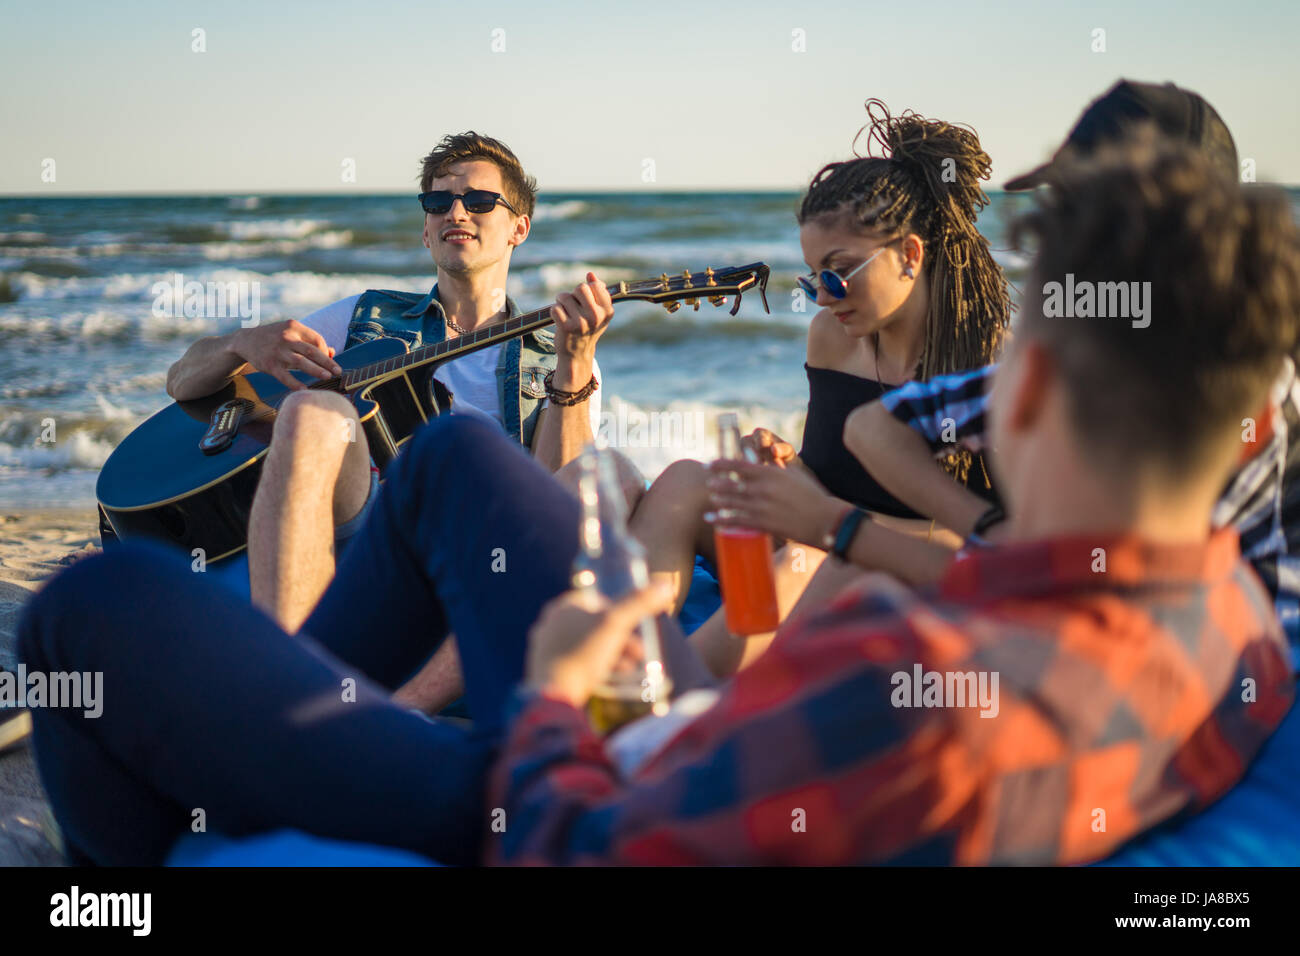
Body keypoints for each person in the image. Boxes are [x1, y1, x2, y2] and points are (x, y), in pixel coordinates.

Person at [22, 138, 1296, 866]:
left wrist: (564, 694)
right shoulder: (1233, 612)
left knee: (93, 605)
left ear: (1024, 400)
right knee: (454, 467)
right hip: (671, 729)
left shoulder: (910, 686)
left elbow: (596, 838)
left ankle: (197, 816)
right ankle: (273, 721)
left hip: (544, 786)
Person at [844, 80, 1300, 668]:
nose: (1065, 241)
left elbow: (1100, 588)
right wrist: (985, 527)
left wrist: (842, 530)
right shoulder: (1094, 360)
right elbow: (879, 425)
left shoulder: (1223, 381)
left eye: (1088, 214)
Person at [162, 132, 621, 635]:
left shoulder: (559, 353)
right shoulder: (367, 316)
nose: (457, 213)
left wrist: (575, 361)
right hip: (366, 529)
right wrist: (241, 342)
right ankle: (284, 669)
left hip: (480, 548)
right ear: (426, 229)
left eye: (481, 201)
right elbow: (182, 383)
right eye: (439, 201)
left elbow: (557, 496)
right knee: (317, 414)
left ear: (519, 227)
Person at [630, 101, 1010, 677]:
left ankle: (665, 714)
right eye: (812, 281)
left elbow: (999, 547)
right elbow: (829, 476)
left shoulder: (992, 372)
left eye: (838, 273)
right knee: (685, 479)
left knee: (803, 561)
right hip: (824, 546)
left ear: (909, 255)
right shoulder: (831, 339)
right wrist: (791, 471)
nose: (825, 297)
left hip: (903, 583)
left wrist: (828, 520)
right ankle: (633, 660)